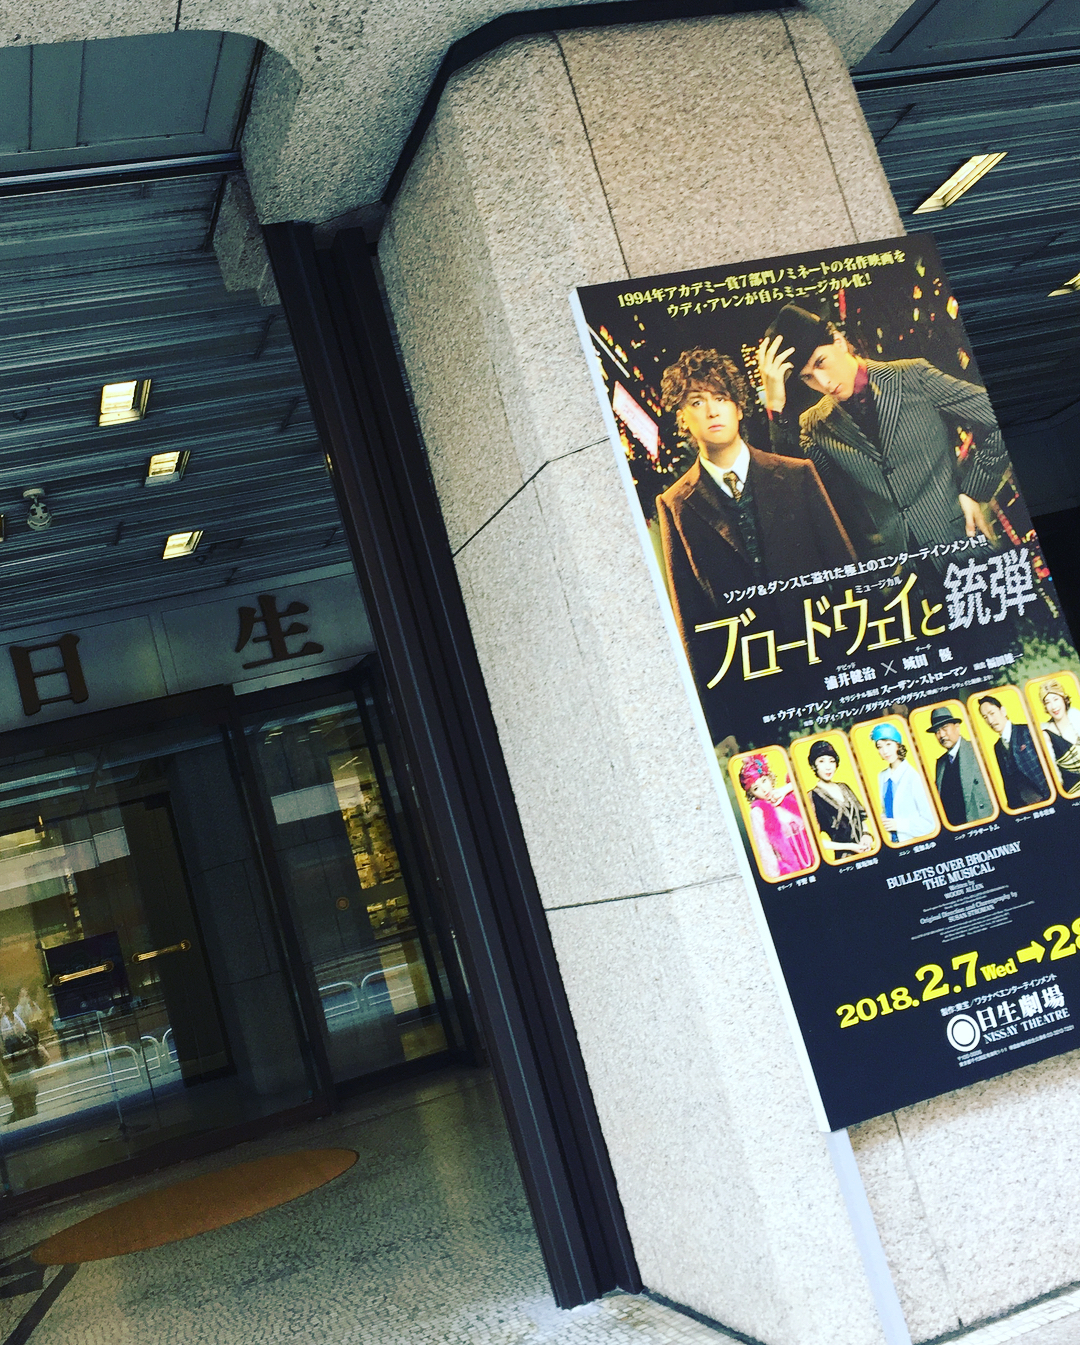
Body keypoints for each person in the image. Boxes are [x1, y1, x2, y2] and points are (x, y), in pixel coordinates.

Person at [655, 348, 856, 691]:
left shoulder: (798, 474)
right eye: (697, 402)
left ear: (738, 407)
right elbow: (691, 621)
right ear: (682, 417)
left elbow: (846, 571)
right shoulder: (674, 504)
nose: (712, 410)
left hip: (829, 653)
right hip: (753, 677)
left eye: (721, 398)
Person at [758, 306, 1009, 562]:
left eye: (821, 362)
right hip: (899, 569)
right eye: (808, 377)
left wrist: (974, 491)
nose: (823, 383)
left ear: (839, 342)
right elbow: (799, 491)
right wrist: (775, 407)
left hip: (962, 545)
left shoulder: (912, 376)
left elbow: (996, 416)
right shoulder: (815, 425)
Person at [738, 754, 816, 879]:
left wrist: (786, 789)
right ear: (751, 793)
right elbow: (763, 848)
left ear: (770, 778)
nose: (764, 790)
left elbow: (811, 778)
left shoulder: (789, 796)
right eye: (756, 788)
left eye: (764, 781)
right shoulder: (758, 812)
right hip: (791, 872)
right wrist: (778, 876)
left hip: (815, 862)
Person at [805, 739, 874, 861]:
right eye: (821, 761)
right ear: (814, 765)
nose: (828, 767)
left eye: (832, 761)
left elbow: (861, 818)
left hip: (867, 852)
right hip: (844, 859)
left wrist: (866, 836)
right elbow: (815, 840)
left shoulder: (844, 787)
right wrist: (850, 847)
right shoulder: (812, 796)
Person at [977, 695, 1050, 809]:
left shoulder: (1028, 731)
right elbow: (1007, 782)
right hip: (1023, 806)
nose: (990, 721)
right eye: (985, 717)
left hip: (1047, 796)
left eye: (992, 713)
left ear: (1003, 711)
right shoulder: (997, 747)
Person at [926, 705, 993, 826]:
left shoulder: (977, 750)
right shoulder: (940, 763)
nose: (942, 735)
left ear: (957, 727)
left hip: (981, 822)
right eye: (937, 731)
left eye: (944, 728)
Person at [870, 722, 936, 844]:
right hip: (893, 843)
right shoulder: (882, 776)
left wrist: (899, 825)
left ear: (898, 744)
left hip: (915, 843)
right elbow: (886, 809)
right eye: (879, 747)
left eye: (888, 744)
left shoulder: (914, 777)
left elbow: (930, 824)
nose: (885, 751)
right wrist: (882, 819)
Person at [1037, 678, 1080, 797]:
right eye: (1047, 702)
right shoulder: (1045, 734)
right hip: (1072, 794)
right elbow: (1055, 777)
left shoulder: (1077, 717)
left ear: (1064, 699)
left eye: (1056, 699)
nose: (1053, 706)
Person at [0, 994, 38, 1122]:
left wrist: (12, 1033)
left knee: (23, 1080)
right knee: (11, 1084)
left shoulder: (11, 1016)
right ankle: (19, 1108)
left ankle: (29, 1106)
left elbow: (23, 1030)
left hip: (17, 1056)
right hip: (6, 1059)